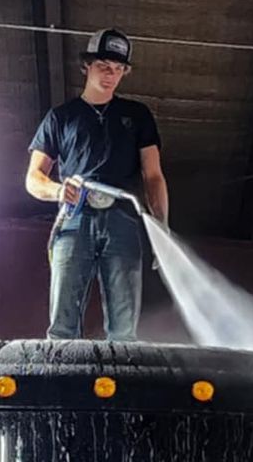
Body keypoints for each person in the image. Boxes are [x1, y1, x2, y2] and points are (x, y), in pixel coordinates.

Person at [26, 28, 170, 341]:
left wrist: (162, 227)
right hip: (74, 217)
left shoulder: (137, 115)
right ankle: (59, 382)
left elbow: (153, 175)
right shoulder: (61, 118)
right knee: (62, 324)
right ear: (87, 66)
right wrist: (57, 190)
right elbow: (33, 177)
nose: (111, 75)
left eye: (119, 69)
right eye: (104, 66)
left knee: (123, 327)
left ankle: (120, 384)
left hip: (123, 218)